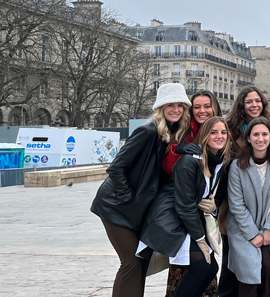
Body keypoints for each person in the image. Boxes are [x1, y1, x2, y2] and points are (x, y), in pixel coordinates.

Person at [91, 82, 192, 297]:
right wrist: (128, 200)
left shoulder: (173, 133)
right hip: (116, 208)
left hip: (135, 210)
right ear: (161, 108)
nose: (176, 109)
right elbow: (116, 168)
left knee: (141, 263)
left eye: (180, 105)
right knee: (131, 263)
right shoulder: (147, 131)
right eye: (170, 105)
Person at [138, 116, 231, 296]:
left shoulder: (221, 161)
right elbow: (185, 206)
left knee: (210, 269)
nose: (219, 136)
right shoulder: (189, 162)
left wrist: (215, 204)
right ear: (204, 136)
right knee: (203, 267)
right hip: (174, 220)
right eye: (213, 132)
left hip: (191, 219)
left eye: (223, 132)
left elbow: (219, 191)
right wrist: (200, 239)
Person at [162, 90, 224, 297]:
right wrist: (179, 149)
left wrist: (215, 204)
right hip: (184, 217)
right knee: (198, 269)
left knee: (208, 269)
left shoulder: (221, 146)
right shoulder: (183, 135)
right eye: (196, 107)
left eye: (207, 106)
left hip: (199, 218)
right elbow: (173, 173)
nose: (202, 111)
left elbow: (217, 182)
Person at [226, 118, 270, 297]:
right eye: (255, 134)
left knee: (268, 266)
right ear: (248, 138)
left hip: (269, 226)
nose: (260, 139)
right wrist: (252, 233)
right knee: (250, 269)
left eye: (264, 134)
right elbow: (236, 204)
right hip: (243, 228)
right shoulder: (237, 166)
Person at [219, 86, 270, 296]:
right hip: (234, 204)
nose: (254, 105)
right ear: (241, 104)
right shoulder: (229, 131)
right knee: (231, 261)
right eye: (249, 101)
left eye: (257, 101)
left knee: (261, 266)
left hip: (261, 208)